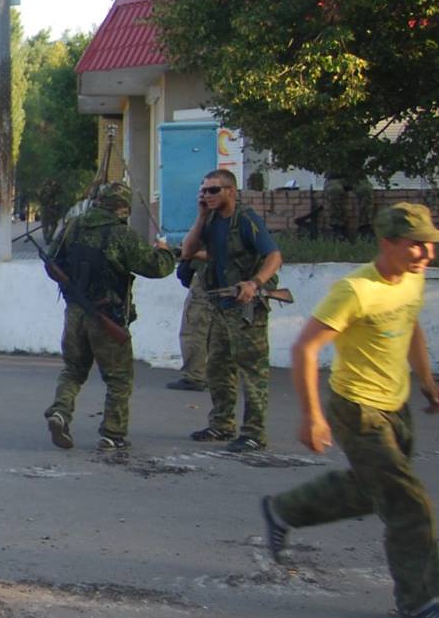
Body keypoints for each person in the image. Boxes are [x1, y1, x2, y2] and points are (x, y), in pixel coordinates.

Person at [261, 204, 439, 618]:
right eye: (417, 245)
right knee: (408, 502)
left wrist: (425, 380)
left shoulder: (412, 280)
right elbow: (305, 349)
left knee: (372, 490)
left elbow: (411, 326)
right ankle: (418, 601)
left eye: (430, 245)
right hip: (358, 409)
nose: (427, 255)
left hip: (395, 404)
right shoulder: (356, 290)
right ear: (388, 243)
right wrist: (312, 417)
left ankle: (282, 510)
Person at [41, 181, 178, 452]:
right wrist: (164, 250)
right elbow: (157, 268)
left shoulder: (73, 226)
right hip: (107, 315)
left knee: (73, 370)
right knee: (118, 378)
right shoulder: (121, 234)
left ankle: (60, 412)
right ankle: (112, 434)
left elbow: (52, 263)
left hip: (75, 313)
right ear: (123, 207)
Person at [178, 169, 283, 451]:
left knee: (252, 370)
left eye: (214, 190)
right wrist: (200, 216)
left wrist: (255, 282)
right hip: (220, 305)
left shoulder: (246, 219)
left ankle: (254, 432)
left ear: (231, 192)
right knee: (217, 368)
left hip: (247, 306)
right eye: (204, 191)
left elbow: (274, 255)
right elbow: (188, 251)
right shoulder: (210, 220)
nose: (207, 195)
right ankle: (222, 425)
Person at [167, 250, 213, 390]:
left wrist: (191, 253)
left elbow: (222, 251)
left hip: (207, 280)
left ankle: (195, 376)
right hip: (224, 280)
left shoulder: (217, 228)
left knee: (194, 331)